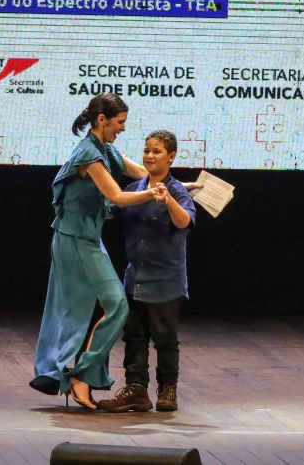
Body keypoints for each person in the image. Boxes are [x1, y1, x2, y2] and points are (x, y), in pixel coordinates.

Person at [29, 93, 163, 410]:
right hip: (73, 238)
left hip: (88, 237)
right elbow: (116, 196)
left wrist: (181, 187)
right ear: (102, 120)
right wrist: (152, 194)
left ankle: (80, 375)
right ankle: (81, 376)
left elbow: (142, 174)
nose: (123, 129)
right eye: (120, 123)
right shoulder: (88, 155)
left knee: (109, 306)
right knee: (114, 305)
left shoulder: (105, 148)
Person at [97, 130, 196, 413]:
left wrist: (168, 201)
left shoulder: (176, 190)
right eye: (147, 150)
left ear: (171, 157)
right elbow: (111, 208)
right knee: (134, 336)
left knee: (165, 338)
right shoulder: (134, 189)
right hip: (135, 279)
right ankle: (136, 390)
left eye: (157, 152)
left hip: (166, 281)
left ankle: (168, 390)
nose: (150, 156)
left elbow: (184, 222)